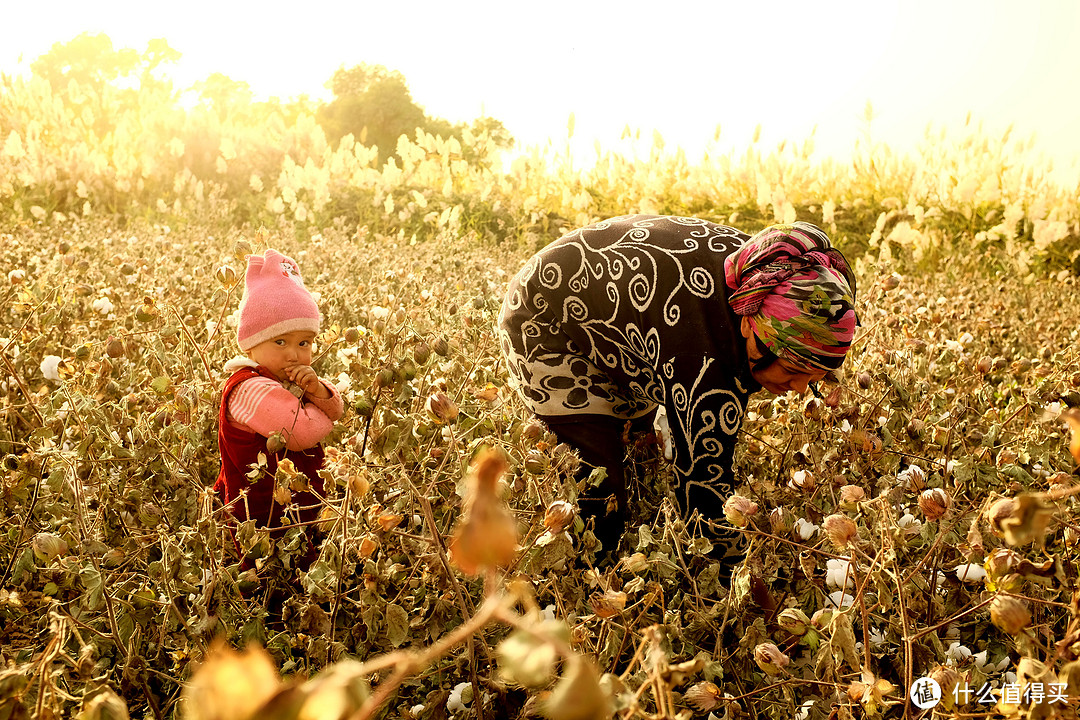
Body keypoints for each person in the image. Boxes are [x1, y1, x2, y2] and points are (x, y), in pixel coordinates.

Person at [498, 215, 857, 559]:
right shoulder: (702, 353)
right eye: (793, 370)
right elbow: (704, 490)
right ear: (749, 326)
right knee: (599, 490)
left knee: (640, 457)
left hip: (620, 306)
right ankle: (588, 582)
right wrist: (742, 587)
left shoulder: (770, 276)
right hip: (543, 317)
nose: (798, 388)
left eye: (813, 377)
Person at [214, 249, 344, 569]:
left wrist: (317, 390)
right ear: (252, 343)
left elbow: (337, 409)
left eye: (304, 343)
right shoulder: (250, 388)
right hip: (263, 519)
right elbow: (303, 432)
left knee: (305, 577)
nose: (294, 355)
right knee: (270, 582)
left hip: (295, 510)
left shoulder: (282, 380)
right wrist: (321, 405)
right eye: (280, 342)